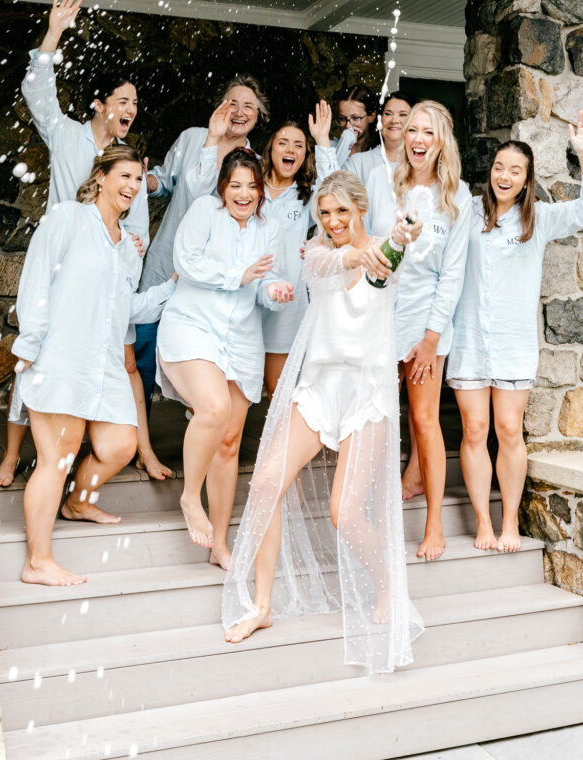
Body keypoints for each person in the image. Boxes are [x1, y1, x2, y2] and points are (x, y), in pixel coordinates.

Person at [222, 171, 425, 674]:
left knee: (345, 513)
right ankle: (262, 606)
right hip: (318, 389)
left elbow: (384, 268)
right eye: (325, 213)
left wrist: (400, 237)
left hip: (366, 396)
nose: (333, 222)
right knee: (267, 482)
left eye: (341, 212)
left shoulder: (385, 250)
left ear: (359, 209)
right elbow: (333, 261)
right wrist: (358, 252)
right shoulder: (316, 253)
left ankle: (386, 587)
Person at [0, 0, 172, 488]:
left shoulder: (127, 163)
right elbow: (38, 94)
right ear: (100, 104)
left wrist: (133, 251)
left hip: (109, 275)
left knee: (122, 362)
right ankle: (11, 456)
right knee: (36, 357)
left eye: (135, 103)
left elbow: (134, 222)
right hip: (62, 267)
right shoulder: (67, 135)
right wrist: (53, 34)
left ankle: (124, 450)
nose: (130, 109)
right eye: (122, 100)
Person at [11, 146, 177, 586]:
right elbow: (37, 276)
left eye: (138, 180)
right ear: (101, 177)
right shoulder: (67, 218)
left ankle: (78, 502)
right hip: (62, 356)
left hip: (101, 364)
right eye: (123, 176)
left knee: (122, 444)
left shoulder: (127, 246)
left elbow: (125, 310)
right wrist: (30, 342)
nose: (131, 186)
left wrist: (172, 288)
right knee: (57, 457)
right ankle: (37, 561)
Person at [448, 108, 583, 553]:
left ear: (526, 179)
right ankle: (483, 522)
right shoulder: (468, 212)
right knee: (475, 431)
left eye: (515, 170)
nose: (505, 175)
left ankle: (510, 522)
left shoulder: (539, 219)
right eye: (500, 167)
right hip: (469, 342)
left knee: (509, 430)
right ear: (491, 172)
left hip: (514, 344)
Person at [156, 149, 293, 566]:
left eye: (252, 186)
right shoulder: (203, 211)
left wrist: (273, 291)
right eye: (236, 184)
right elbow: (187, 263)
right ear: (223, 186)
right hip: (191, 325)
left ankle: (218, 545)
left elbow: (263, 282)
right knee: (212, 409)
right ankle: (189, 498)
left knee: (230, 442)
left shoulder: (267, 229)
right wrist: (239, 275)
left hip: (241, 338)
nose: (245, 193)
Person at [365, 100, 471, 561]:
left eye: (427, 132)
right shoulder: (385, 184)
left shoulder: (459, 198)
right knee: (378, 414)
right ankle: (372, 510)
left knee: (425, 419)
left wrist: (431, 339)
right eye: (411, 130)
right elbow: (371, 253)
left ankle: (433, 525)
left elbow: (453, 275)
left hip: (429, 317)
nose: (418, 140)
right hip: (383, 309)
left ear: (441, 140)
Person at [134, 76, 268, 416]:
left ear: (259, 114)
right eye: (232, 103)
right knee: (144, 348)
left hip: (213, 277)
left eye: (249, 106)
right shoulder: (194, 137)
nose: (239, 112)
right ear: (219, 106)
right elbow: (169, 183)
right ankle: (140, 439)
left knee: (203, 355)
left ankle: (199, 433)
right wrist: (139, 181)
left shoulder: (252, 160)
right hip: (169, 262)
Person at [260, 101, 339, 397]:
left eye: (298, 145)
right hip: (245, 301)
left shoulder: (304, 197)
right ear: (270, 149)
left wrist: (321, 140)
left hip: (286, 306)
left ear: (306, 154)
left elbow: (334, 192)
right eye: (283, 143)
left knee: (278, 392)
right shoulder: (248, 188)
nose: (290, 149)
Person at [332, 84, 378, 167]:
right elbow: (330, 178)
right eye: (342, 118)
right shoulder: (331, 148)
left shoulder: (379, 152)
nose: (348, 126)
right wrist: (344, 146)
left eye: (355, 118)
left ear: (371, 116)